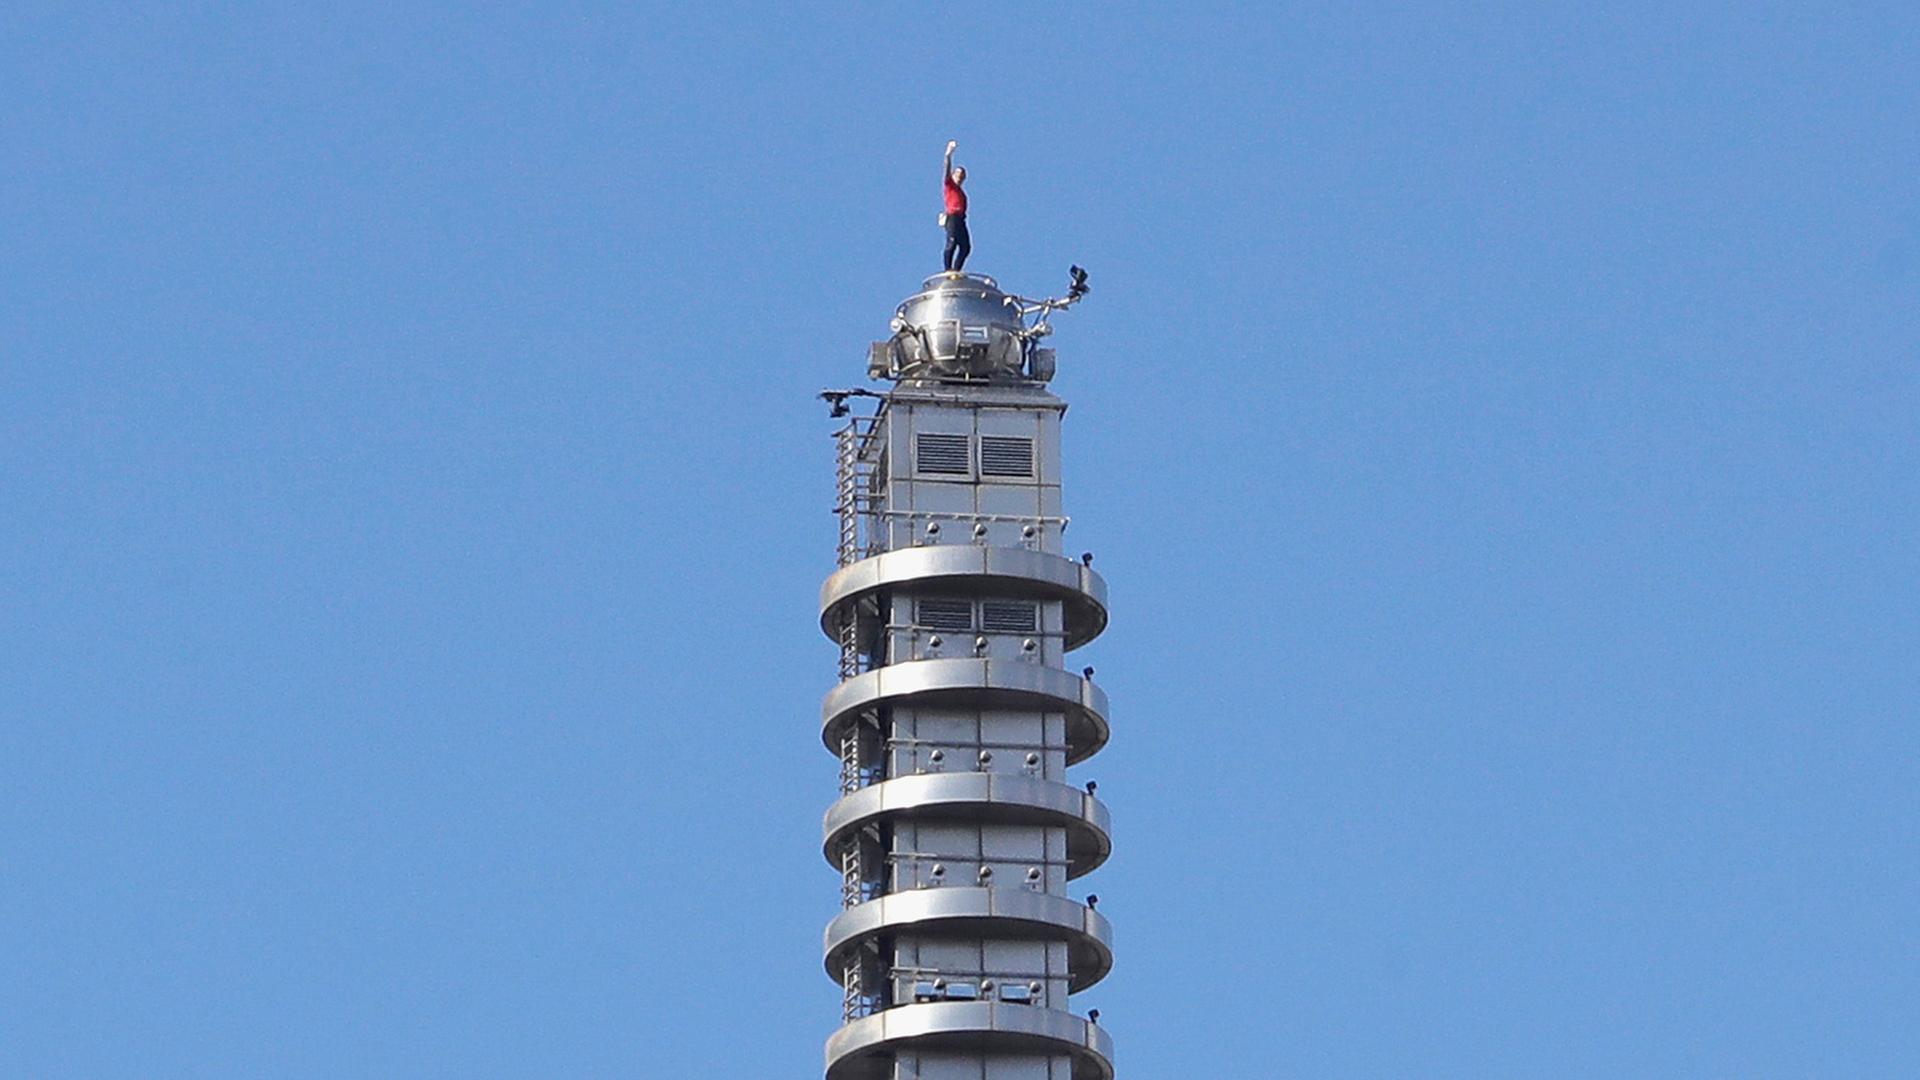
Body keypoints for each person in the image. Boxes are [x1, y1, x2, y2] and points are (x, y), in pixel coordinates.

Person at [941, 140, 970, 272]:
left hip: (960, 219)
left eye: (962, 175)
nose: (960, 177)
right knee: (951, 243)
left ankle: (956, 271)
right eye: (957, 174)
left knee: (965, 247)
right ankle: (948, 270)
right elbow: (946, 169)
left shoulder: (962, 194)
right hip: (952, 217)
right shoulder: (949, 186)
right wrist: (948, 154)